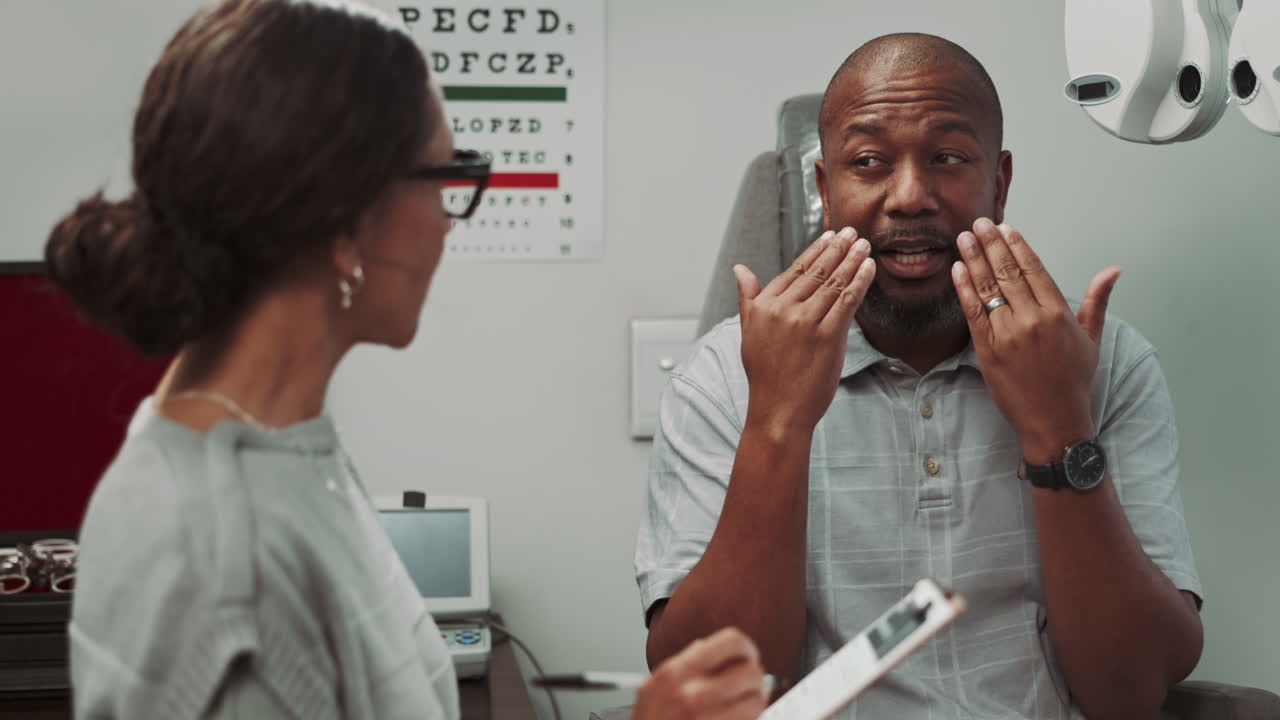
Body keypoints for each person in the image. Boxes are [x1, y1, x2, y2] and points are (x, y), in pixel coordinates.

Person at [45, 1, 769, 718]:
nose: (448, 226)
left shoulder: (279, 450)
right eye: (443, 177)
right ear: (345, 221)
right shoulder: (226, 561)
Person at [636, 33, 1204, 720]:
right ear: (825, 188)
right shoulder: (725, 377)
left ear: (1000, 181)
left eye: (948, 158)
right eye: (869, 162)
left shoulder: (1101, 363)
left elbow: (1130, 693)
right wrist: (777, 420)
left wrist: (1059, 424)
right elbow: (720, 692)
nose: (909, 197)